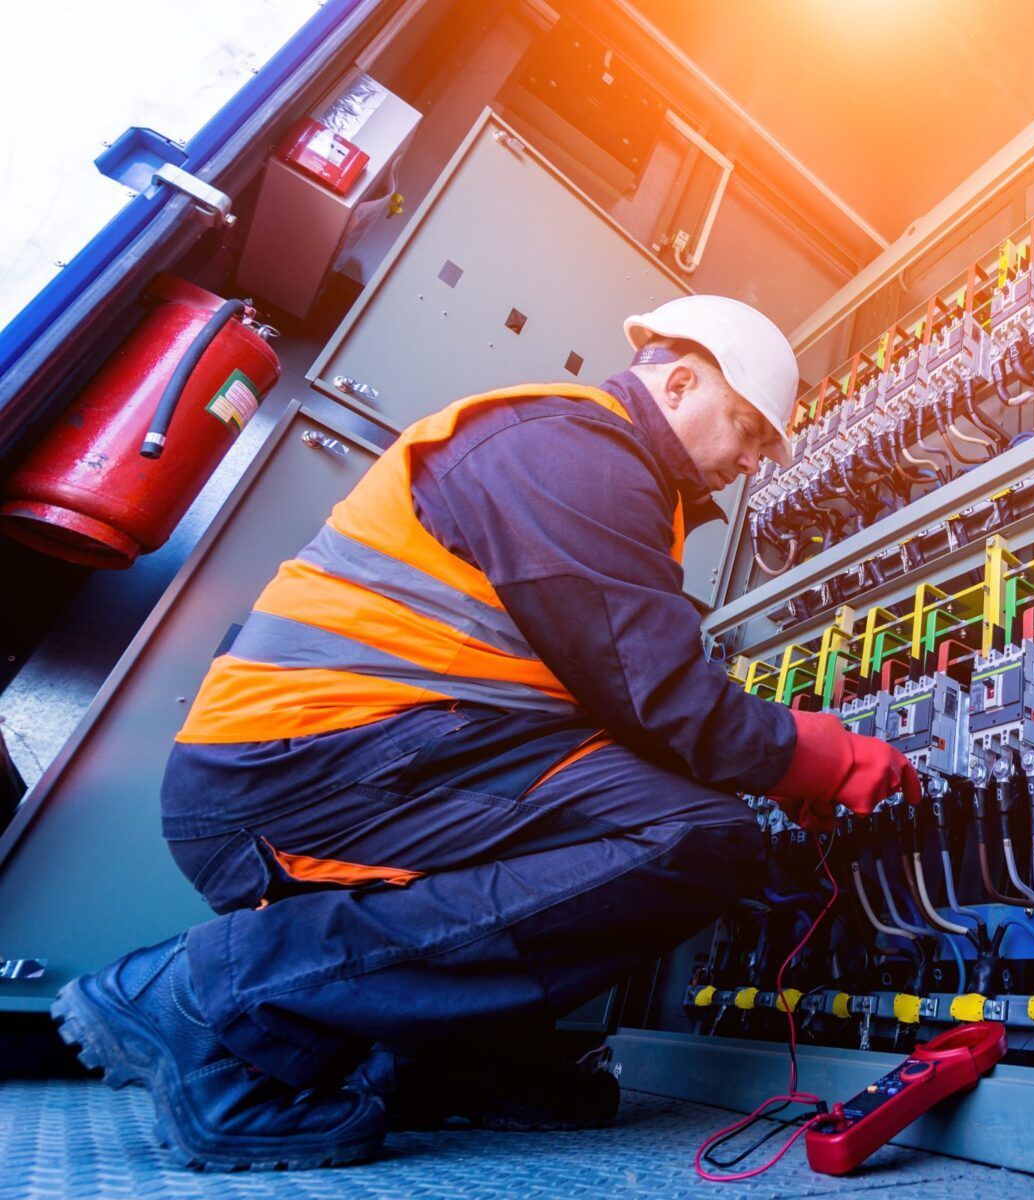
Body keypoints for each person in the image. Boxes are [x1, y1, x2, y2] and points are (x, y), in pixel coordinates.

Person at [52, 296, 913, 1171]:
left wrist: (770, 767)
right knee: (697, 837)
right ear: (681, 381)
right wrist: (820, 755)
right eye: (748, 429)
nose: (754, 460)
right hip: (305, 774)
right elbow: (657, 692)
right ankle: (223, 1000)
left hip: (389, 756)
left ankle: (444, 1059)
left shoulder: (614, 472)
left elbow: (619, 702)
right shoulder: (575, 450)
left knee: (683, 816)